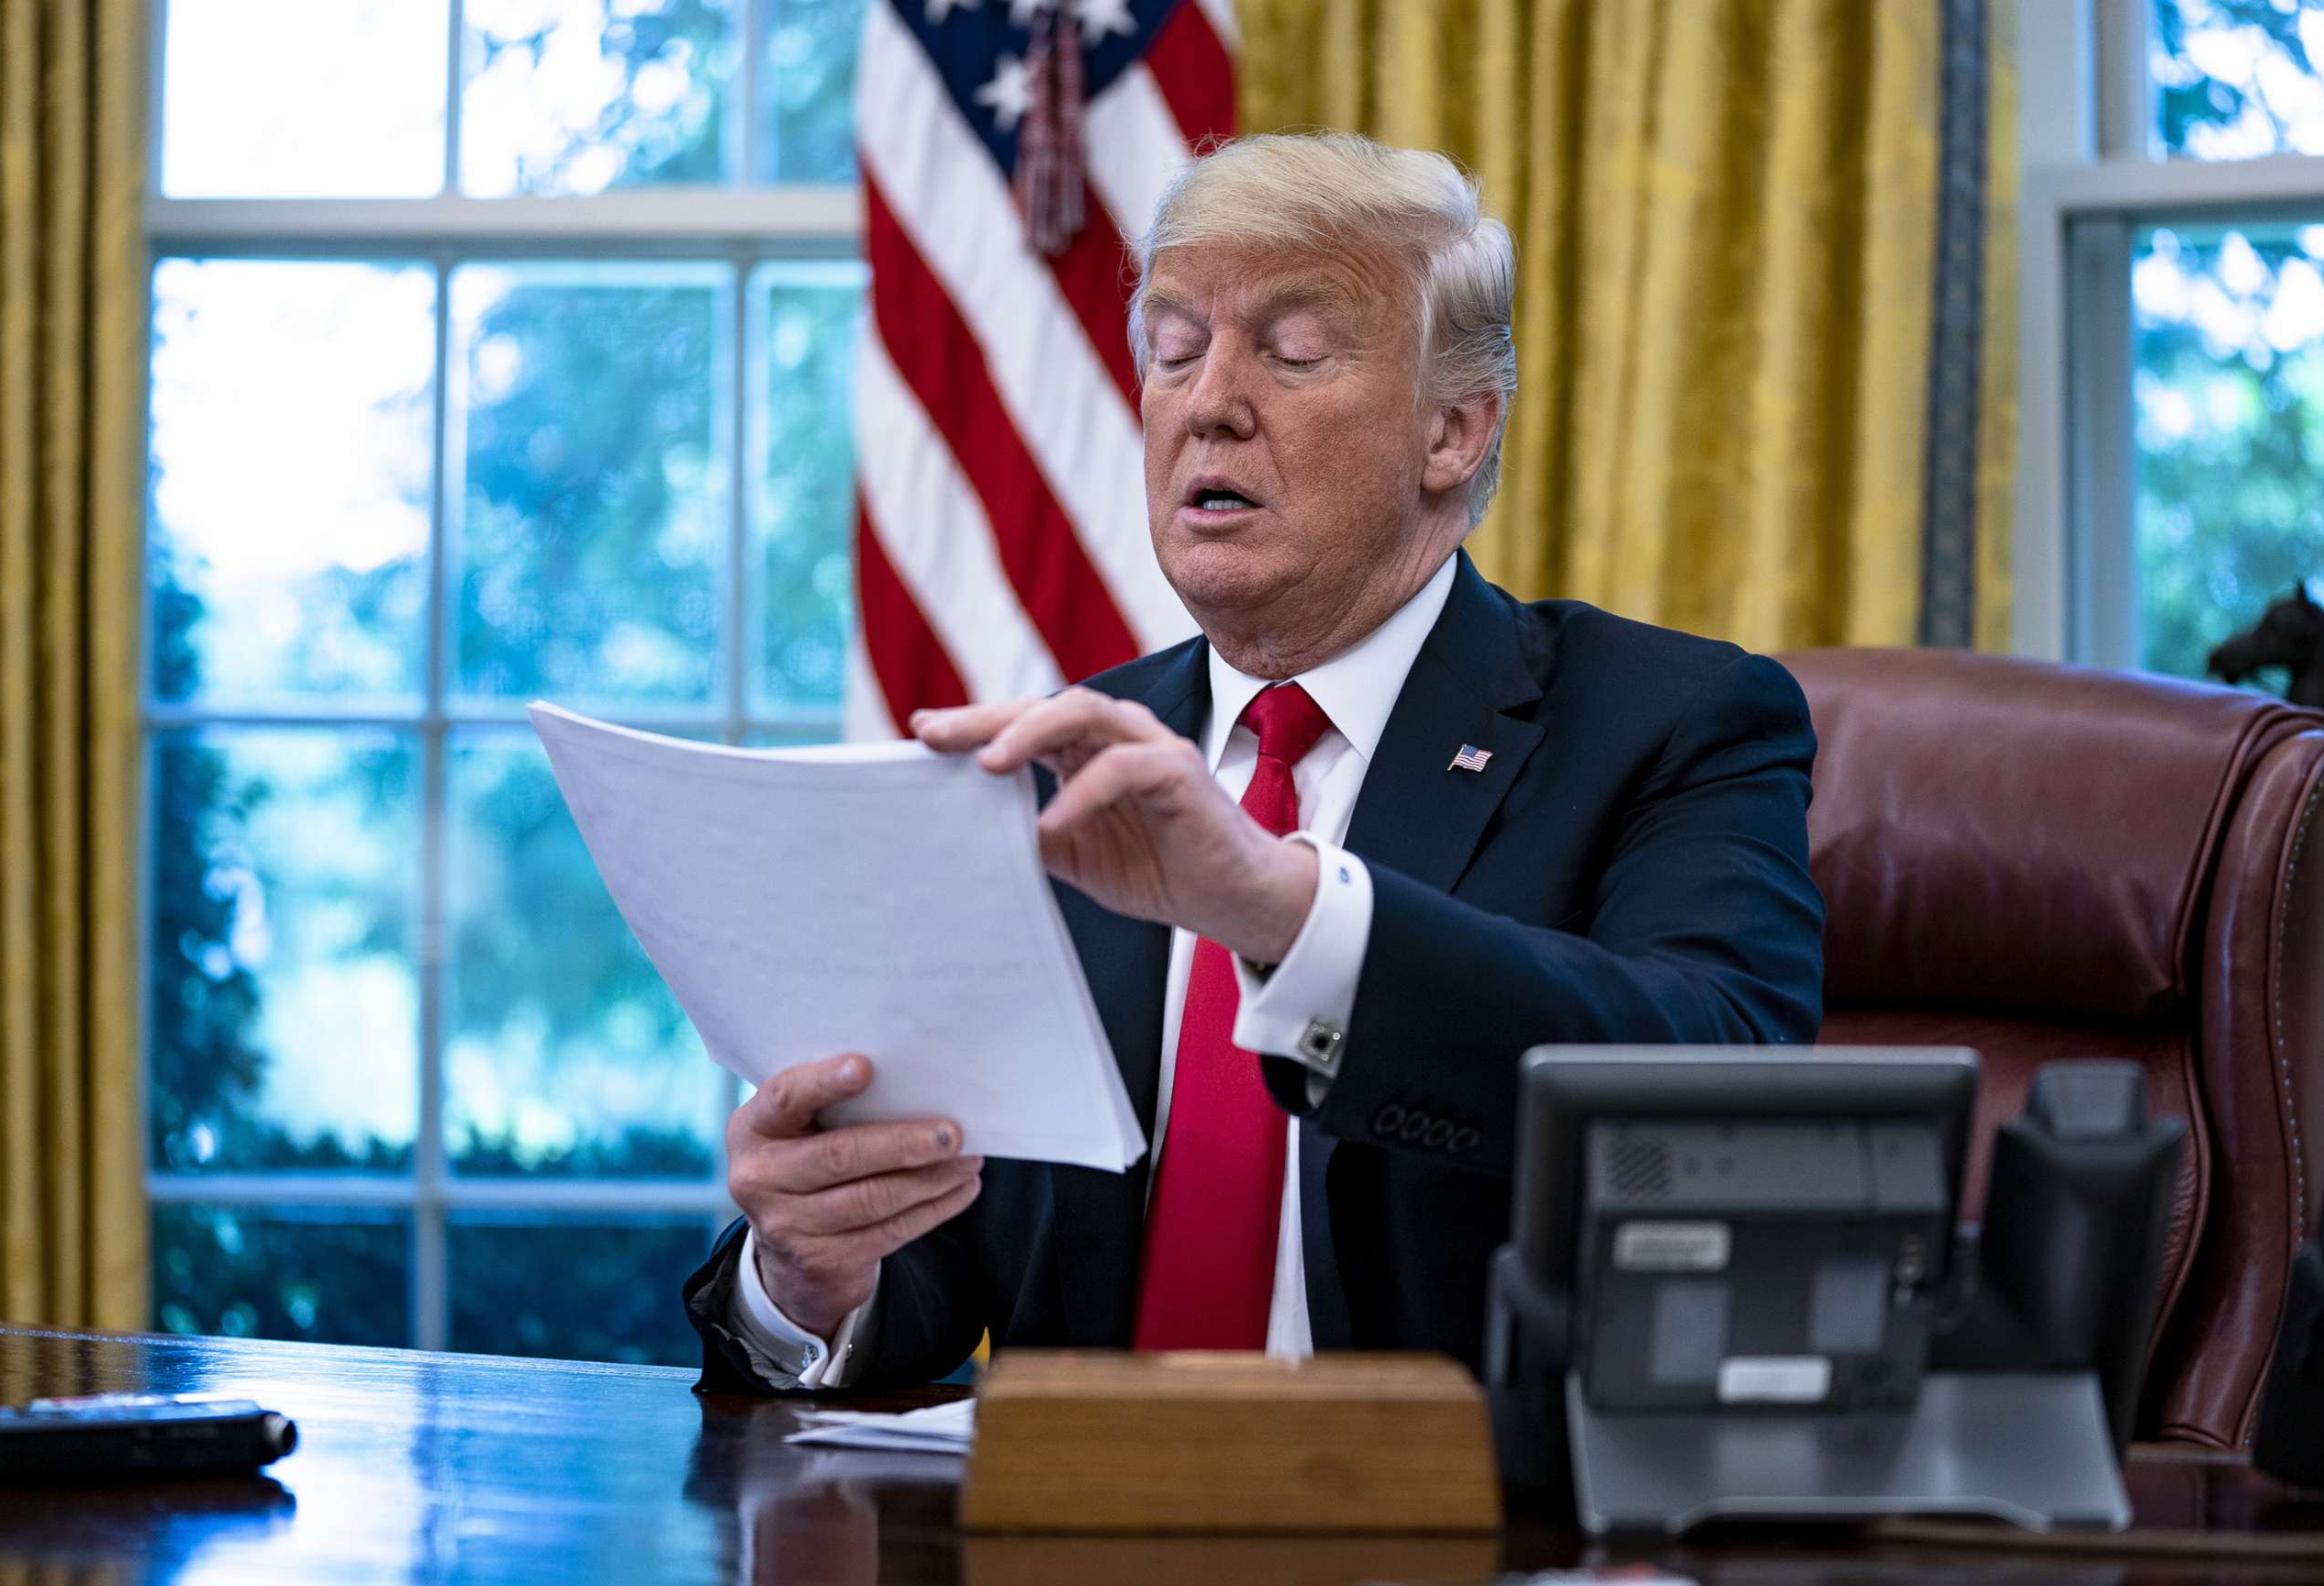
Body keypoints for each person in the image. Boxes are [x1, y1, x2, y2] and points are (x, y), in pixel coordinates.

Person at [683, 131, 1826, 1391]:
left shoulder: (1674, 722)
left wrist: (1280, 909)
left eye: (1292, 354)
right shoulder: (1052, 768)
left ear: (1453, 431)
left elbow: (1729, 1098)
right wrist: (809, 1276)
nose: (1207, 402)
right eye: (1174, 351)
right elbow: (939, 1266)